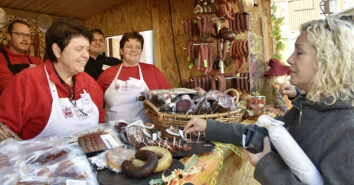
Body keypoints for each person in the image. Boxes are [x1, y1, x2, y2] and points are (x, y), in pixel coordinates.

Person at [184, 18, 354, 185]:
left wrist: (267, 168)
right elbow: (263, 135)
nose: (289, 59)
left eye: (299, 52)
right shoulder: (307, 107)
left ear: (327, 61)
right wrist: (209, 127)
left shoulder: (348, 129)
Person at [0, 18, 105, 140]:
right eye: (79, 49)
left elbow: (100, 120)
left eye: (87, 49)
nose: (86, 55)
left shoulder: (90, 83)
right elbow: (5, 135)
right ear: (57, 50)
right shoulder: (25, 82)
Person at [98, 31, 171, 123]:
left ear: (141, 51)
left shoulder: (152, 71)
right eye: (129, 46)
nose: (134, 50)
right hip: (113, 132)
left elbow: (168, 98)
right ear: (121, 50)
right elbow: (94, 105)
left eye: (138, 47)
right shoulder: (107, 74)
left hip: (145, 131)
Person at [0, 20, 43, 93]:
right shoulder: (1, 59)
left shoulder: (37, 61)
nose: (25, 39)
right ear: (8, 36)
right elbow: (9, 88)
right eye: (20, 34)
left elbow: (47, 86)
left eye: (28, 35)